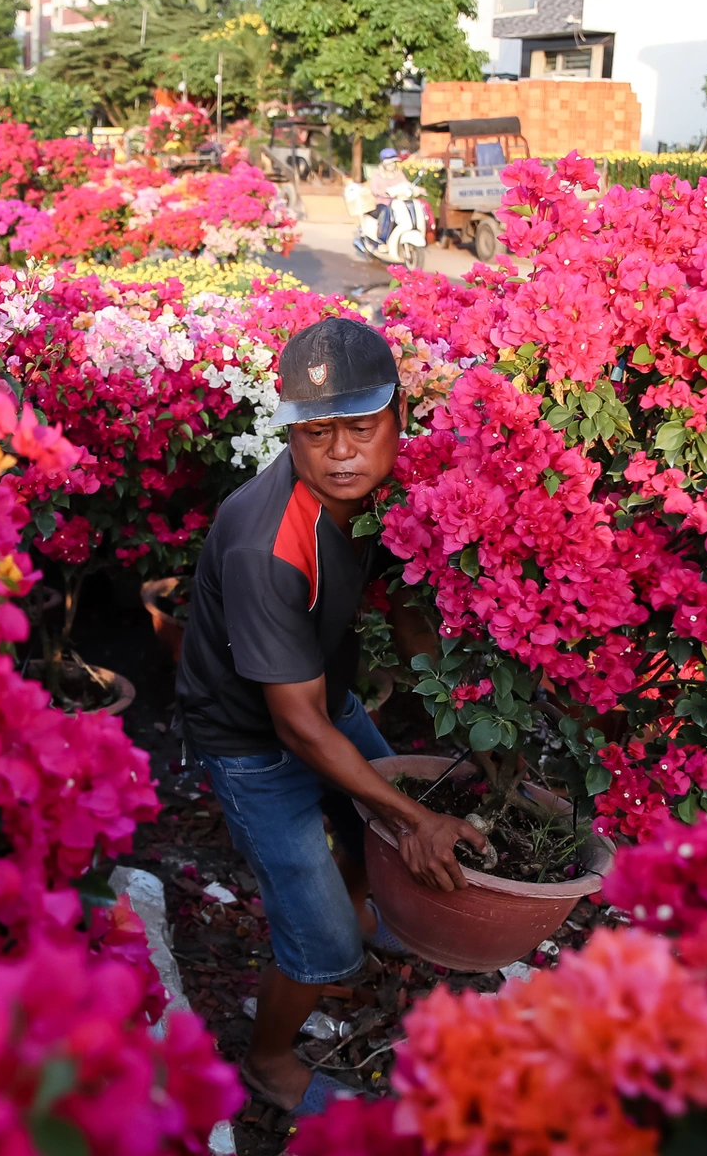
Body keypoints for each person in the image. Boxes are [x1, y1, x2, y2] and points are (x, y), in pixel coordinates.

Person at [174, 317, 487, 1118]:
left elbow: (404, 612)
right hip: (255, 741)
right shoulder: (268, 544)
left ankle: (356, 898)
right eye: (317, 433)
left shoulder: (381, 495)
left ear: (398, 421)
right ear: (291, 434)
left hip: (324, 698)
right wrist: (413, 816)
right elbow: (299, 731)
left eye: (361, 427)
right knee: (324, 949)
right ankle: (271, 1064)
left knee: (373, 833)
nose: (341, 451)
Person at [368, 146, 404, 242]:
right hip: (383, 203)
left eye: (393, 163)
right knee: (386, 215)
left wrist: (417, 189)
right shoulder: (377, 174)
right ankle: (382, 240)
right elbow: (374, 189)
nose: (392, 165)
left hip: (398, 204)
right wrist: (385, 192)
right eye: (389, 163)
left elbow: (406, 183)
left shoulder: (398, 174)